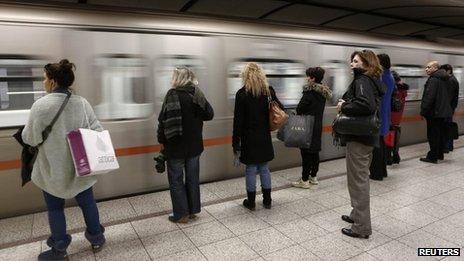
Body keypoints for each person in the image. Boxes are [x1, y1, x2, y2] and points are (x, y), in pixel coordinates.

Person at [22, 60, 106, 260]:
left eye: (45, 78)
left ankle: (59, 249)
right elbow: (98, 131)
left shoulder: (40, 106)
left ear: (52, 81)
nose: (43, 81)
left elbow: (30, 138)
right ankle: (97, 239)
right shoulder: (82, 103)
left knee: (55, 208)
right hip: (81, 167)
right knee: (88, 204)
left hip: (53, 170)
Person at [336, 50, 384, 239]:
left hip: (359, 138)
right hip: (365, 136)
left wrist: (343, 106)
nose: (352, 64)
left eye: (356, 61)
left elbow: (366, 105)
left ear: (366, 63)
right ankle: (357, 214)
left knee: (358, 182)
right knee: (357, 179)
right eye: (352, 61)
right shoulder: (370, 80)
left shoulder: (363, 81)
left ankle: (362, 227)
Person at [157, 67, 214, 223]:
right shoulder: (196, 94)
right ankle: (192, 211)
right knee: (192, 179)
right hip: (194, 147)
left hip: (175, 146)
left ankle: (181, 214)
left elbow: (163, 120)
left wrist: (161, 141)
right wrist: (200, 94)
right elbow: (209, 114)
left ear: (177, 79)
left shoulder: (172, 95)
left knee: (176, 180)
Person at [233, 62, 283, 210]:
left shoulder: (241, 94)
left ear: (245, 76)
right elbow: (281, 108)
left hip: (248, 138)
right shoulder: (268, 92)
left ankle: (251, 202)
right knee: (264, 168)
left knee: (250, 169)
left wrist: (235, 142)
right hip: (264, 137)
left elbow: (238, 122)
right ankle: (267, 200)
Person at [292, 67, 332, 189]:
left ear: (313, 78)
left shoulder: (309, 93)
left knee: (306, 153)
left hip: (307, 125)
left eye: (308, 76)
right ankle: (313, 177)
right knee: (314, 151)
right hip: (317, 124)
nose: (307, 78)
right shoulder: (323, 93)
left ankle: (304, 180)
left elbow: (300, 109)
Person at [420, 61, 453, 164]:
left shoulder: (433, 79)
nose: (426, 69)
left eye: (429, 67)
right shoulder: (445, 79)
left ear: (435, 68)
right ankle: (439, 154)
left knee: (433, 135)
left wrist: (423, 111)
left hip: (434, 113)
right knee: (439, 134)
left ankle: (432, 157)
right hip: (442, 112)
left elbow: (429, 97)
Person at [369, 54, 394, 181]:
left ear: (381, 63)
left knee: (376, 146)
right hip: (385, 113)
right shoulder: (389, 76)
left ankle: (376, 173)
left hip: (379, 114)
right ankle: (382, 171)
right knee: (381, 144)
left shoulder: (381, 77)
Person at [386, 71, 409, 164]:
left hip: (390, 118)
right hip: (397, 119)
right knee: (395, 138)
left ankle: (388, 158)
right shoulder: (403, 91)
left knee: (388, 138)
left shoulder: (394, 91)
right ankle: (396, 156)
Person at [439, 64, 459, 152]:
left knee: (446, 128)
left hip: (447, 109)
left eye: (443, 71)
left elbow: (448, 96)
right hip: (449, 109)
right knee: (448, 127)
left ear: (448, 71)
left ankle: (446, 146)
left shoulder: (450, 81)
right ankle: (449, 146)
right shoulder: (453, 79)